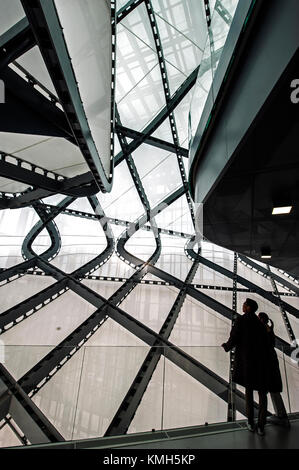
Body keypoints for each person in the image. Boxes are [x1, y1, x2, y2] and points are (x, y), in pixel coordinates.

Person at [222, 298, 270, 435]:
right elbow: (267, 343)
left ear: (248, 308)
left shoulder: (241, 320)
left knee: (249, 393)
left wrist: (227, 346)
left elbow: (234, 337)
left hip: (247, 362)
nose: (242, 306)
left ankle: (250, 422)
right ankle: (261, 425)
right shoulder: (260, 324)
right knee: (262, 393)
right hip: (261, 363)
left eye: (244, 305)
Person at [258, 312, 290, 427]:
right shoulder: (269, 330)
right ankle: (281, 415)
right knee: (274, 390)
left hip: (268, 365)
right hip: (272, 364)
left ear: (261, 319)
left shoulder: (265, 332)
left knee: (272, 390)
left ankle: (281, 416)